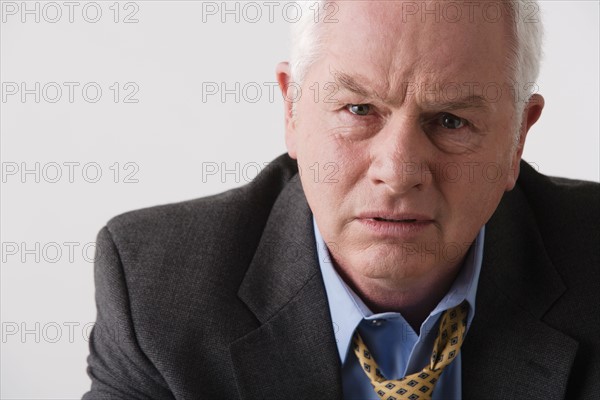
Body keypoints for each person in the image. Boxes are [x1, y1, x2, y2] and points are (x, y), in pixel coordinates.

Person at [82, 1, 599, 399]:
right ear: (292, 110)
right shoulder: (156, 290)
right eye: (358, 109)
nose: (397, 174)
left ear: (518, 140)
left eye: (450, 121)